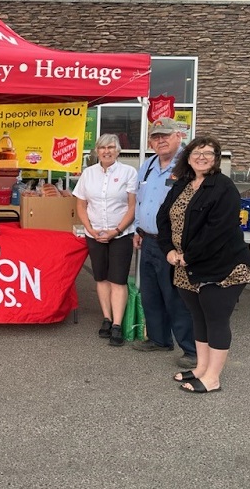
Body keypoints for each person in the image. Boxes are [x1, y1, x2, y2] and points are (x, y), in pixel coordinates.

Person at [157, 136, 250, 394]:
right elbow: (164, 218)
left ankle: (212, 377)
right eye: (196, 152)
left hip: (221, 267)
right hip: (184, 264)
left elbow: (219, 230)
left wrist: (188, 255)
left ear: (216, 158)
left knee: (216, 319)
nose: (201, 157)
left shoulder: (224, 187)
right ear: (188, 156)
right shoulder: (182, 184)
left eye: (208, 153)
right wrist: (169, 250)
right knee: (198, 317)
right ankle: (202, 368)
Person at [132, 118, 197, 369]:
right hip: (147, 239)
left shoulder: (188, 165)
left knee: (176, 297)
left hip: (172, 243)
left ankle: (191, 349)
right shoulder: (147, 165)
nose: (160, 140)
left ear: (178, 136)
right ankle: (159, 339)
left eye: (165, 135)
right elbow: (140, 199)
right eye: (156, 137)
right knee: (151, 295)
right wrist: (138, 227)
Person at [72, 133, 138, 347]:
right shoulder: (88, 174)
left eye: (111, 147)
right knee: (100, 278)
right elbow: (81, 205)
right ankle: (107, 318)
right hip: (94, 234)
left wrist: (117, 230)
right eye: (102, 148)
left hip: (120, 234)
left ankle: (118, 324)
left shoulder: (129, 172)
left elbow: (132, 206)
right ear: (97, 151)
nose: (106, 151)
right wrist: (90, 229)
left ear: (118, 150)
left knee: (117, 279)